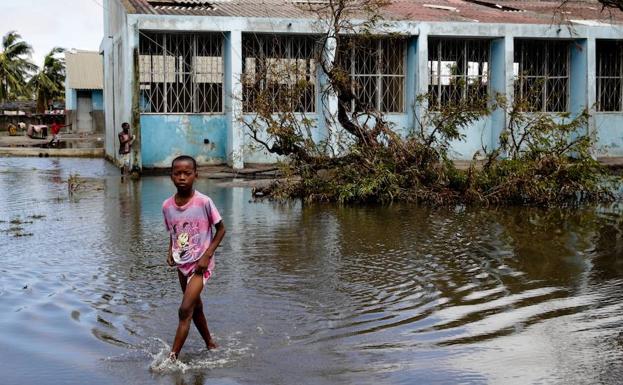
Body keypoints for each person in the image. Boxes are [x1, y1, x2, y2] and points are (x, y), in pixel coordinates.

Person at [162, 155, 226, 361]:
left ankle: (172, 358)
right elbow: (173, 231)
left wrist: (207, 255)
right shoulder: (167, 206)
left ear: (195, 175)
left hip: (201, 264)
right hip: (182, 263)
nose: (182, 177)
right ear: (171, 176)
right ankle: (210, 343)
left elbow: (221, 229)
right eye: (177, 173)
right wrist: (170, 250)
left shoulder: (204, 202)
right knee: (195, 306)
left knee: (184, 309)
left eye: (187, 173)